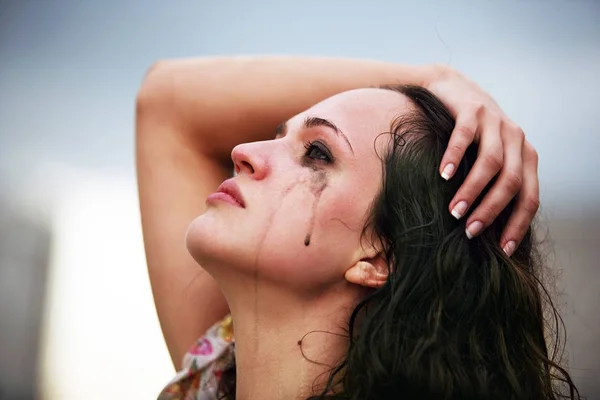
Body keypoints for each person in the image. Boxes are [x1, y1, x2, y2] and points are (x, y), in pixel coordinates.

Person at [136, 57, 580, 399]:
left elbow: (167, 105)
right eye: (278, 136)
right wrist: (434, 78)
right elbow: (165, 100)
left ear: (379, 256)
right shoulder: (215, 381)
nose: (243, 150)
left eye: (317, 153)